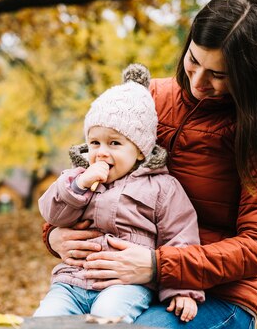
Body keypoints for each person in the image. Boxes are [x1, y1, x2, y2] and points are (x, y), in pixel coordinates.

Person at [42, 0, 257, 328]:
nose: (198, 81)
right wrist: (54, 235)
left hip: (215, 295)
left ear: (251, 75)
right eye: (194, 60)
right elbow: (89, 171)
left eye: (219, 75)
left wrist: (158, 265)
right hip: (119, 282)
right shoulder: (146, 99)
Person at [34, 64, 204, 323]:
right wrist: (79, 185)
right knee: (45, 320)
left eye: (114, 143)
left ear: (140, 150)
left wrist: (182, 290)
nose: (101, 152)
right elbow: (51, 213)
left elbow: (180, 237)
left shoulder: (161, 187)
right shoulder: (75, 179)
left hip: (124, 285)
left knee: (108, 318)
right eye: (95, 143)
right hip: (72, 282)